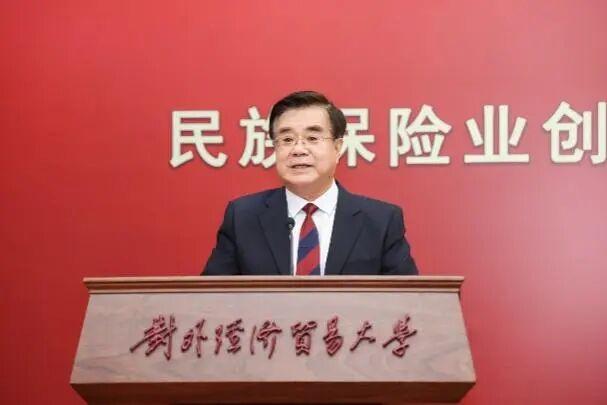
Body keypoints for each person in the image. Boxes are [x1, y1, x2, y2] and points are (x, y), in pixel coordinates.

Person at [203, 91, 418, 276]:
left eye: (313, 138)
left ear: (338, 147)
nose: (298, 149)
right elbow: (210, 298)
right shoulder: (242, 217)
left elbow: (408, 301)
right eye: (287, 140)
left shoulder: (381, 221)